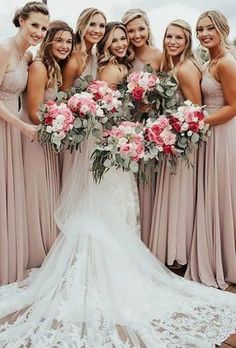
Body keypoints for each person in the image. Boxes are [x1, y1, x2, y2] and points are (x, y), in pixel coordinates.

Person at [0, 20, 235, 348]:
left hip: (118, 143)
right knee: (109, 204)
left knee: (120, 202)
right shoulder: (110, 70)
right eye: (117, 38)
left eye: (125, 37)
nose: (123, 42)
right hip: (108, 145)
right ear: (108, 42)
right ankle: (113, 264)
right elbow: (98, 106)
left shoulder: (121, 66)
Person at [185, 10, 236, 289]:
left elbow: (234, 107)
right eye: (200, 29)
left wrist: (196, 123)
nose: (204, 34)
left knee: (222, 193)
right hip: (209, 133)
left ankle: (226, 260)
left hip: (222, 133)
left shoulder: (227, 63)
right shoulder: (209, 60)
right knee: (213, 193)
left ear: (222, 30)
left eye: (209, 29)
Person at [0, 1, 49, 284]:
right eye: (34, 25)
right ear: (21, 21)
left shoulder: (27, 55)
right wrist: (22, 126)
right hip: (6, 125)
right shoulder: (5, 48)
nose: (39, 32)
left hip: (12, 128)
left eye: (43, 28)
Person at [149, 20, 202, 269]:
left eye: (178, 38)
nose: (172, 41)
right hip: (171, 141)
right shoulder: (173, 67)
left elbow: (195, 113)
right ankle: (172, 251)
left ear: (187, 41)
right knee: (174, 194)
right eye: (169, 36)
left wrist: (173, 131)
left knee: (180, 195)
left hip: (182, 144)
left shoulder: (185, 69)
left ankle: (177, 255)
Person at [21, 20, 74, 268]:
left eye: (68, 41)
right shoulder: (40, 67)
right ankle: (34, 250)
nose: (64, 46)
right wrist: (61, 126)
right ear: (48, 39)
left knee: (46, 192)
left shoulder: (55, 68)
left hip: (48, 136)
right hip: (35, 138)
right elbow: (34, 112)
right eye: (59, 40)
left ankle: (45, 246)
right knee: (36, 192)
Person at [122, 9, 162, 245]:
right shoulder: (122, 57)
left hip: (149, 125)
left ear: (148, 29)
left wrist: (152, 104)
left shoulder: (158, 55)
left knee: (147, 179)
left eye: (140, 29)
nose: (136, 35)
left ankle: (149, 238)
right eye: (130, 30)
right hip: (125, 124)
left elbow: (169, 93)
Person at [60, 8, 106, 184]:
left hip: (93, 127)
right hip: (76, 130)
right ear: (82, 26)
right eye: (92, 24)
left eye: (101, 25)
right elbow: (62, 98)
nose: (97, 30)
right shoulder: (73, 59)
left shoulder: (95, 55)